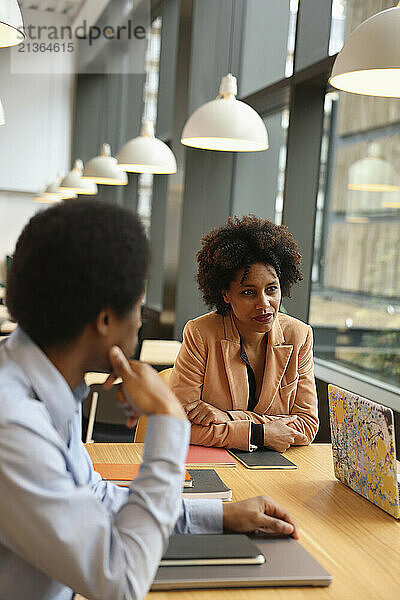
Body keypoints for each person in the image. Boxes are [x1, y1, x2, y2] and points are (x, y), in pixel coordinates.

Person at [0, 201, 298, 600]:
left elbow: (94, 498)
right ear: (106, 320)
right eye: (139, 306)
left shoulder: (47, 382)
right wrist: (169, 419)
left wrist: (219, 515)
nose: (140, 322)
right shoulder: (13, 425)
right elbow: (120, 581)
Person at [170, 215, 319, 452]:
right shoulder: (200, 334)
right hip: (216, 465)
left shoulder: (299, 336)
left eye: (272, 289)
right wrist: (259, 434)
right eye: (249, 293)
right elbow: (177, 424)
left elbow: (307, 425)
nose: (265, 304)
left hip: (277, 469)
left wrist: (227, 417)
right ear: (226, 295)